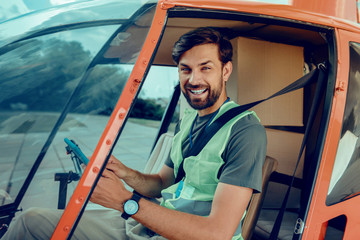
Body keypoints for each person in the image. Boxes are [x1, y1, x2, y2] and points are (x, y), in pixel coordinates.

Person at [2, 27, 266, 240]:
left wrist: (125, 202)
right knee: (30, 220)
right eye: (186, 69)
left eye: (205, 68)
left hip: (181, 232)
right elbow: (162, 184)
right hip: (153, 224)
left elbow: (217, 233)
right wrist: (124, 172)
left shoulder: (245, 131)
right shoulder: (187, 121)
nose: (193, 80)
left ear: (226, 70)